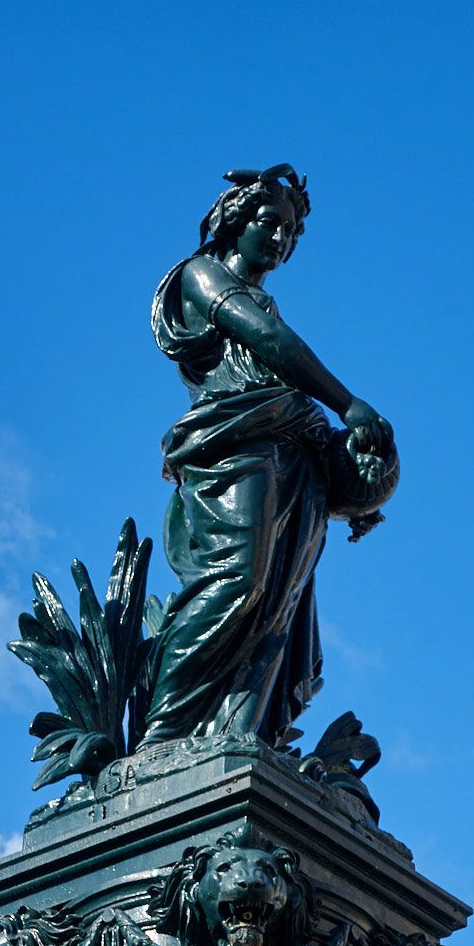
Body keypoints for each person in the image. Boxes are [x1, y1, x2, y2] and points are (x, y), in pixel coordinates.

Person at [140, 165, 398, 749]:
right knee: (238, 581)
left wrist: (354, 482)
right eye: (270, 223)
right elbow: (266, 341)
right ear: (235, 220)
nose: (281, 239)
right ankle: (165, 736)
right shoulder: (200, 276)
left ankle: (238, 730)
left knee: (277, 603)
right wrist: (346, 402)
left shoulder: (267, 302)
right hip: (236, 443)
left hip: (293, 454)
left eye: (291, 233)